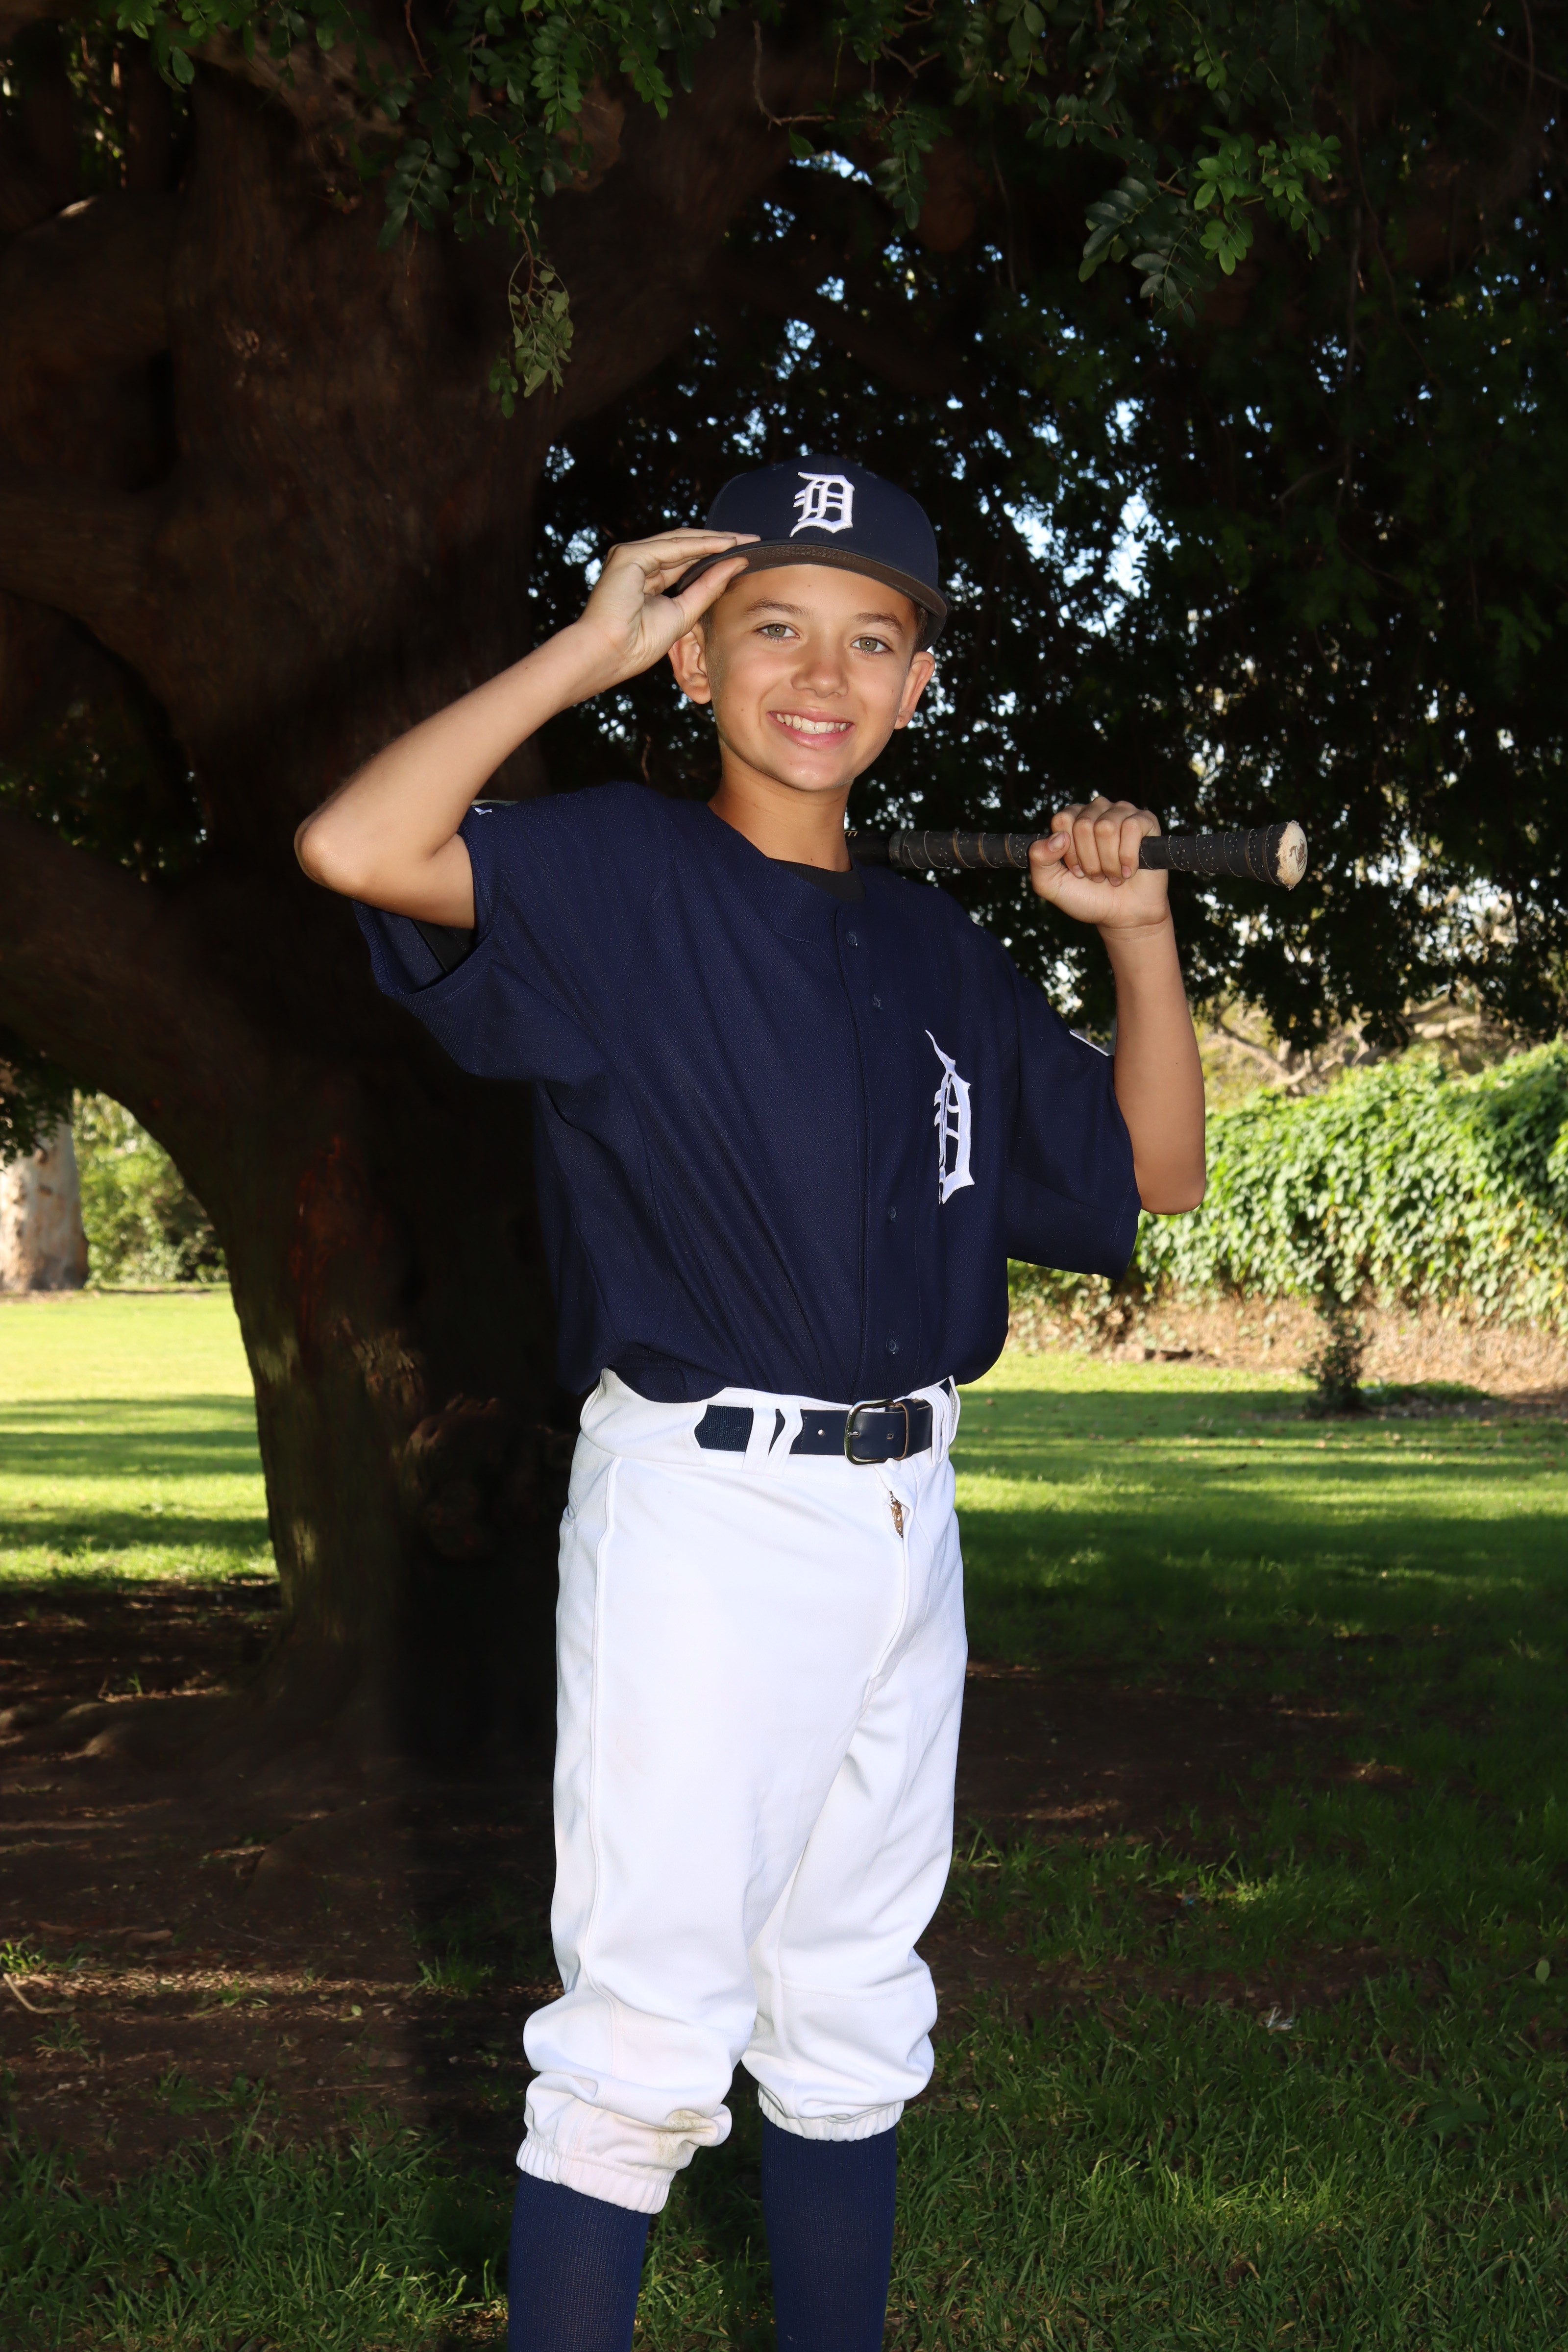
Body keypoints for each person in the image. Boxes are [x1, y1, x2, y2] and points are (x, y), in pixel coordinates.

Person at [295, 456, 1206, 2351]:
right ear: (695, 662)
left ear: (920, 687)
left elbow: (1156, 1176)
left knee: (855, 2001)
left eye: (873, 640)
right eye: (770, 626)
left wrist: (1134, 933)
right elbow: (359, 847)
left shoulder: (937, 948)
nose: (822, 673)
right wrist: (584, 648)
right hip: (707, 1512)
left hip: (907, 1511)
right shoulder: (621, 877)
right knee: (645, 2029)